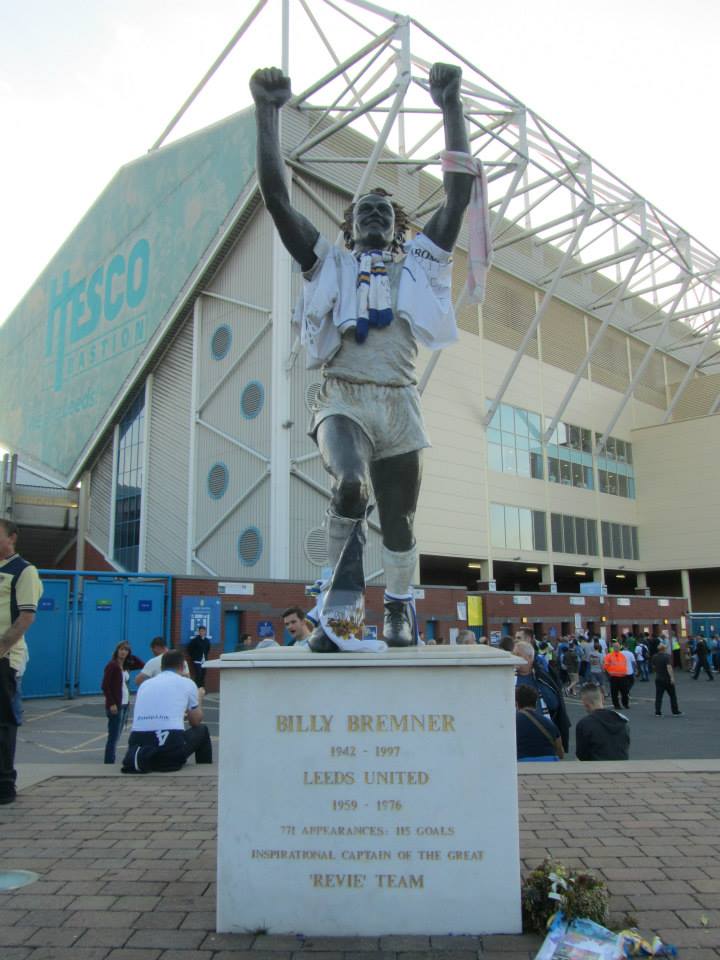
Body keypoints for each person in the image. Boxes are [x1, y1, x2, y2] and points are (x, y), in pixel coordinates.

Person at [250, 62, 479, 651]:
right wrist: (267, 112)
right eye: (362, 213)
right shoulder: (328, 264)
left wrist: (451, 106)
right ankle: (342, 610)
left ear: (398, 231)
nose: (373, 216)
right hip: (345, 396)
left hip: (399, 402)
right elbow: (277, 199)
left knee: (400, 521)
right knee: (351, 485)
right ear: (349, 229)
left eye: (383, 213)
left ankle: (399, 607)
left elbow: (458, 196)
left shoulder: (419, 267)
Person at [0, 519, 43, 804]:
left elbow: (26, 616)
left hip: (5, 659)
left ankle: (4, 784)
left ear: (12, 537)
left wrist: (2, 648)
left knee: (3, 722)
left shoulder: (24, 571)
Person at [121, 650, 212, 773]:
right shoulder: (188, 683)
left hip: (139, 750)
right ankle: (205, 771)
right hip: (169, 753)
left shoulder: (145, 685)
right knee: (202, 730)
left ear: (161, 667)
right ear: (183, 666)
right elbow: (195, 721)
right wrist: (199, 697)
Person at [513, 639, 570, 752]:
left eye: (518, 655)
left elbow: (553, 704)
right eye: (513, 654)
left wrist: (539, 683)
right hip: (516, 731)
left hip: (539, 729)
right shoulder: (507, 677)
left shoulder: (541, 677)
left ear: (530, 658)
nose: (514, 658)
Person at [101, 641, 144, 764]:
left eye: (126, 650)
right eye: (121, 649)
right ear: (117, 651)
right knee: (113, 736)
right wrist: (112, 703)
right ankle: (109, 762)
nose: (123, 652)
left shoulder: (126, 666)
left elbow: (141, 664)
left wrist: (130, 656)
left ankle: (110, 759)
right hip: (116, 705)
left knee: (117, 735)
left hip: (125, 704)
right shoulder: (112, 666)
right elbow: (105, 686)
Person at [575, 682, 630, 761]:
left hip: (597, 766)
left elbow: (581, 755)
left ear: (585, 703)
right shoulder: (622, 721)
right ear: (602, 698)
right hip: (621, 765)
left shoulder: (584, 724)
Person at [515, 685, 564, 761]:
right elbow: (560, 753)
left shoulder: (513, 723)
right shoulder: (549, 723)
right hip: (549, 764)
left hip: (522, 764)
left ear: (516, 703)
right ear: (536, 702)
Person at [652, 643, 683, 717]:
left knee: (659, 696)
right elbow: (669, 667)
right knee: (672, 696)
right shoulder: (666, 657)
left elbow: (653, 666)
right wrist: (672, 677)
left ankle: (657, 712)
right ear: (664, 649)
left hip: (658, 678)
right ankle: (675, 711)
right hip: (667, 678)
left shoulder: (654, 657)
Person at [604, 641, 631, 710]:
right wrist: (609, 673)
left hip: (623, 676)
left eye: (618, 646)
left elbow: (625, 664)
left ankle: (625, 704)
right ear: (613, 647)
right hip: (614, 677)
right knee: (614, 692)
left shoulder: (622, 655)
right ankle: (616, 705)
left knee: (625, 692)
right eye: (615, 646)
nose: (617, 647)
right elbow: (606, 666)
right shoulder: (609, 656)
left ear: (620, 647)